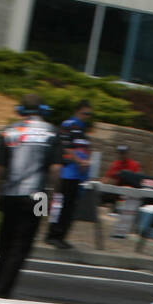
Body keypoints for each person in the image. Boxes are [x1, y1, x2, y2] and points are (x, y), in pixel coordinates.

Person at [0, 94, 62, 299]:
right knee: (23, 243)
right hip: (38, 196)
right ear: (43, 110)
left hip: (9, 193)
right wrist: (51, 196)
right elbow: (56, 170)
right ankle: (4, 290)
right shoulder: (52, 132)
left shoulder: (9, 131)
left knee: (5, 240)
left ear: (21, 110)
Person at [46, 100, 92, 249]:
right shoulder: (69, 125)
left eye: (89, 114)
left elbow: (84, 149)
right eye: (85, 113)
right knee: (59, 205)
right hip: (67, 172)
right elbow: (66, 147)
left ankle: (61, 235)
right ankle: (52, 235)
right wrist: (79, 161)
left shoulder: (82, 129)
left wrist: (86, 162)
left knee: (70, 207)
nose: (87, 116)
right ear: (77, 111)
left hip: (77, 174)